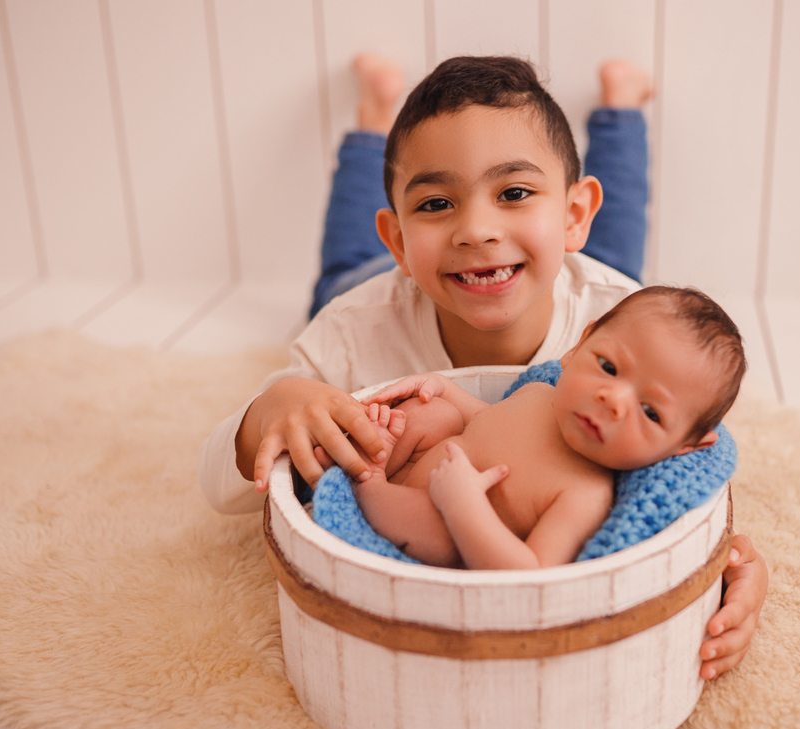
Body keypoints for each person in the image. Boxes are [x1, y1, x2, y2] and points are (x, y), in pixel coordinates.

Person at [198, 54, 766, 680]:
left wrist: (733, 566)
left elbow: (688, 473)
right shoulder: (350, 332)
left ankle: (623, 108)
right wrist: (273, 407)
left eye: (514, 193)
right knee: (340, 265)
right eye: (437, 203)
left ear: (574, 214)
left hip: (579, 273)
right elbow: (217, 487)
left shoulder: (621, 335)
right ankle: (371, 120)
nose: (476, 229)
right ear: (400, 242)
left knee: (621, 247)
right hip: (381, 282)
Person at [345, 287, 745, 570]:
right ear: (577, 347)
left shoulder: (585, 494)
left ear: (686, 446)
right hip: (420, 466)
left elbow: (531, 570)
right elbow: (483, 419)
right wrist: (443, 387)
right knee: (435, 414)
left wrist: (462, 505)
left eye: (651, 412)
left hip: (444, 522)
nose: (613, 400)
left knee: (440, 533)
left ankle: (366, 486)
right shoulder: (539, 394)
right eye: (608, 367)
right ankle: (369, 452)